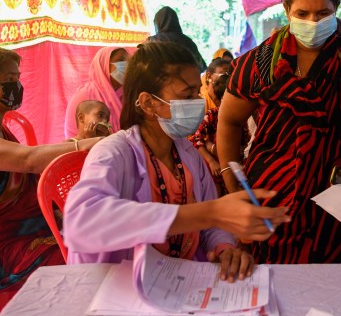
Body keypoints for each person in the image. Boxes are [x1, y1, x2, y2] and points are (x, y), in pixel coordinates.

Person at [63, 42, 290, 282]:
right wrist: (209, 213)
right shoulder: (113, 153)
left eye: (197, 94)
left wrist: (225, 248)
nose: (197, 102)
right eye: (187, 95)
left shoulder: (187, 153)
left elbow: (211, 225)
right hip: (119, 287)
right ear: (149, 103)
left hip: (181, 281)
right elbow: (81, 223)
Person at [217, 0, 341, 264]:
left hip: (335, 201)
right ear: (287, 8)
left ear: (336, 9)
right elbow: (228, 120)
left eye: (323, 14)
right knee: (272, 282)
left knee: (333, 286)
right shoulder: (261, 62)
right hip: (269, 195)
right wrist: (230, 176)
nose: (313, 22)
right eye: (303, 14)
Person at [0, 47, 102, 294]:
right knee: (77, 256)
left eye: (18, 79)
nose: (17, 87)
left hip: (20, 232)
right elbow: (28, 159)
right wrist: (88, 144)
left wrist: (77, 144)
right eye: (9, 81)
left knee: (98, 231)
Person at [192, 71, 249, 197]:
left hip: (237, 169)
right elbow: (197, 138)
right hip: (217, 172)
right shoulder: (212, 115)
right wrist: (212, 161)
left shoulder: (241, 116)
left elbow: (245, 143)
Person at [64, 46, 128, 139]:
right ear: (104, 65)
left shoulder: (128, 95)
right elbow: (72, 134)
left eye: (128, 60)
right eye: (121, 60)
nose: (127, 64)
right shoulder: (84, 96)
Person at [148, 6, 207, 71]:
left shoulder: (151, 42)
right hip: (186, 80)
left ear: (157, 23)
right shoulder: (188, 42)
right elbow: (201, 67)